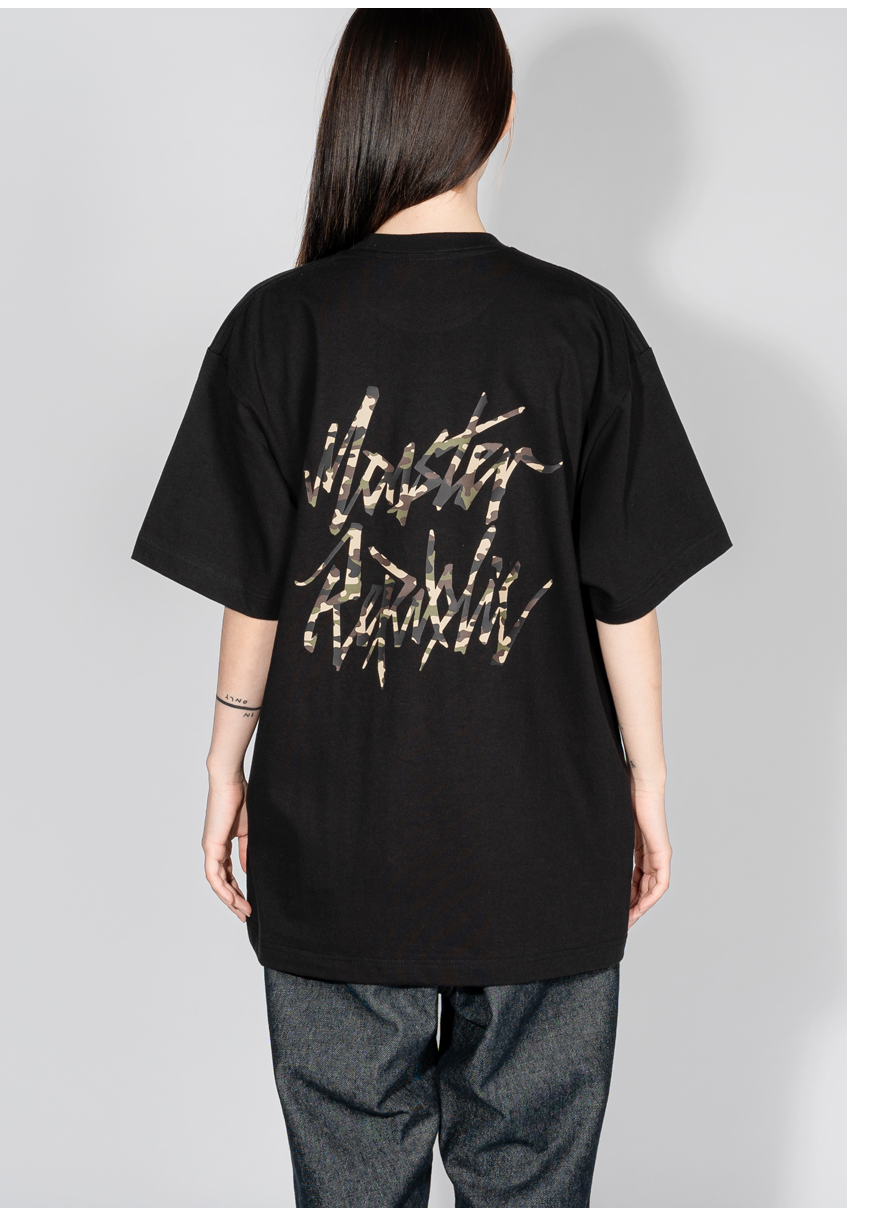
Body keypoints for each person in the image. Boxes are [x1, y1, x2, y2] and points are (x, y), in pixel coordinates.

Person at [132, 9, 731, 1208]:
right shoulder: (580, 327)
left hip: (334, 844)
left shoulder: (276, 327)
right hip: (542, 848)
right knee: (533, 1190)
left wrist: (222, 762)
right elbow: (622, 597)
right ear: (497, 119)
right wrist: (647, 780)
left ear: (356, 114)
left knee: (349, 1188)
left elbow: (255, 587)